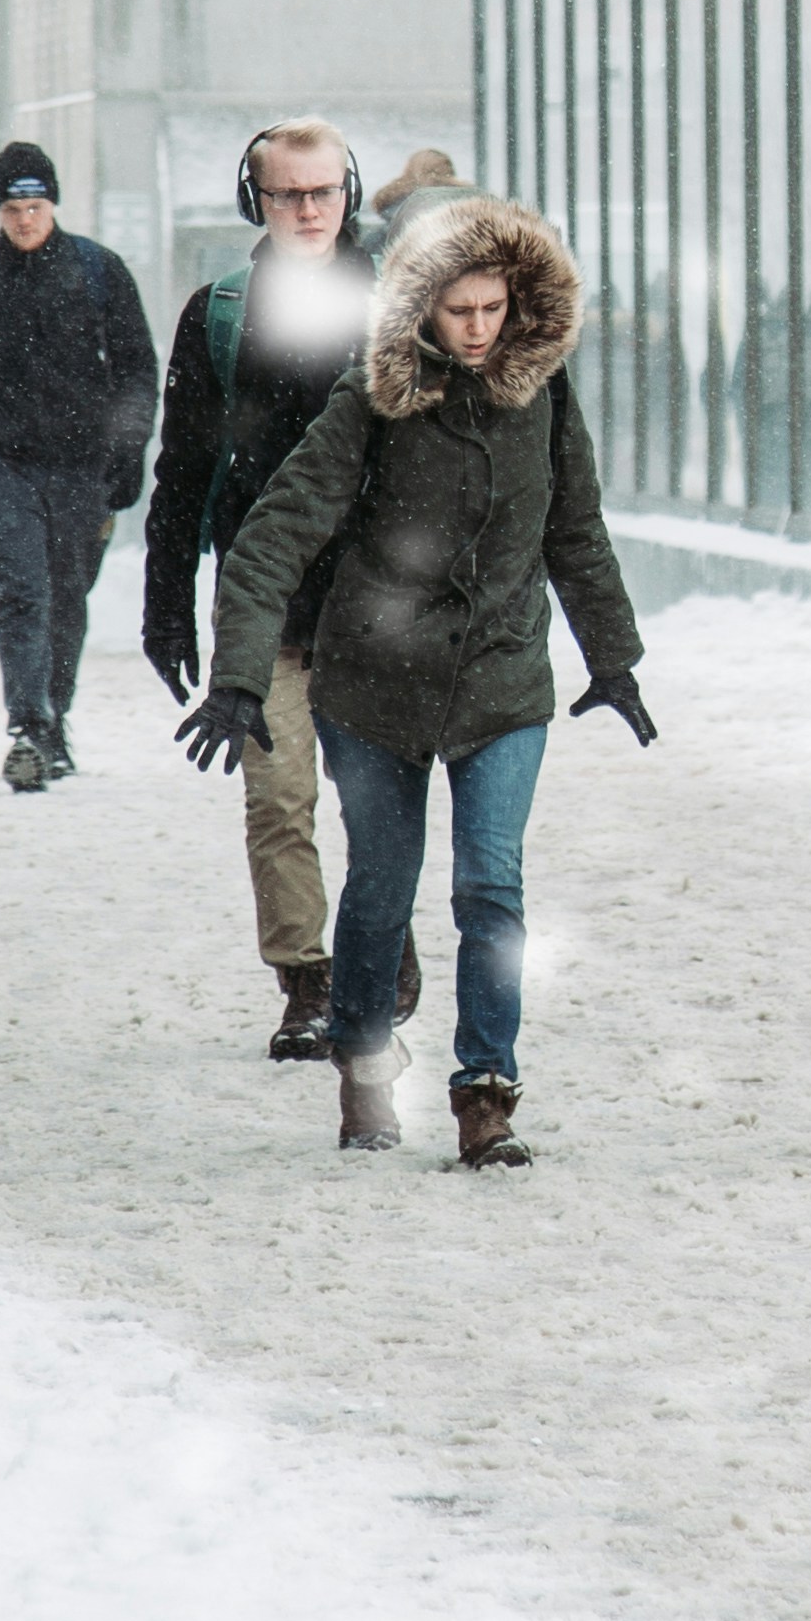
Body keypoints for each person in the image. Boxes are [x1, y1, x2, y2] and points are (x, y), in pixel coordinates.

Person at [182, 195, 649, 1167]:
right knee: (382, 886)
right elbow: (276, 533)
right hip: (375, 680)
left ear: (519, 302)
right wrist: (239, 678)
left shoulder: (545, 394)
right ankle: (363, 1063)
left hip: (500, 677)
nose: (477, 330)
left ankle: (486, 1091)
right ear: (422, 306)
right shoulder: (373, 395)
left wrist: (614, 659)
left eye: (493, 310)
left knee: (491, 885)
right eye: (458, 311)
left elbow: (575, 530)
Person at [145, 120, 388, 1056]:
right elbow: (184, 467)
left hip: (379, 594)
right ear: (257, 201)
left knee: (378, 800)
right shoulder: (221, 315)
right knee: (279, 798)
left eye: (324, 191)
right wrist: (167, 602)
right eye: (288, 193)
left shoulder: (397, 302)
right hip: (261, 593)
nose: (309, 210)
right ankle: (307, 978)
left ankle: (382, 941)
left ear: (349, 191)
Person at [0, 140, 158, 794]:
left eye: (35, 206)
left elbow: (136, 368)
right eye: (13, 208)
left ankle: (54, 717)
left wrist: (129, 450)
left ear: (52, 205)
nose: (25, 220)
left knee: (67, 594)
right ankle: (27, 725)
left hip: (80, 463)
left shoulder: (98, 272)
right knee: (23, 592)